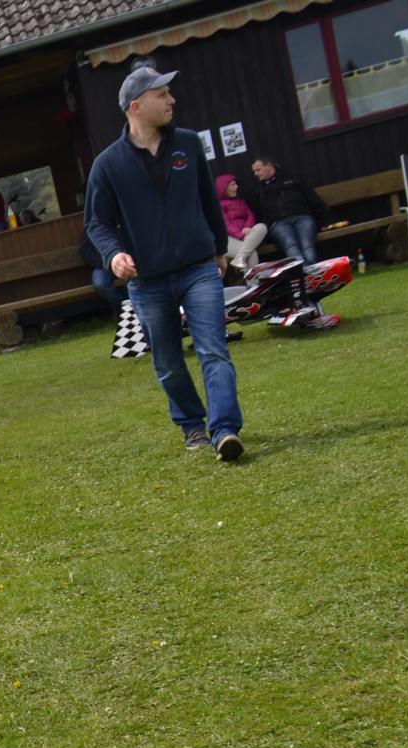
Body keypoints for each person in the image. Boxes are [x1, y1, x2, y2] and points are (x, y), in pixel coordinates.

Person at [86, 64, 243, 461]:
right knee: (170, 363)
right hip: (148, 280)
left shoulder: (188, 144)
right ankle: (192, 425)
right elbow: (97, 223)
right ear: (136, 107)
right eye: (162, 95)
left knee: (214, 350)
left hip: (198, 268)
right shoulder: (107, 164)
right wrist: (114, 254)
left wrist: (219, 248)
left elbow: (208, 198)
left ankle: (224, 430)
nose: (172, 100)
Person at [248, 157, 327, 264]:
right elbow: (257, 213)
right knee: (290, 245)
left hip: (302, 216)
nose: (255, 174)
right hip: (278, 223)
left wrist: (325, 221)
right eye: (254, 171)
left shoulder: (292, 178)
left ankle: (305, 271)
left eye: (258, 170)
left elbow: (312, 198)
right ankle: (308, 271)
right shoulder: (257, 190)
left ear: (269, 166)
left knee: (307, 245)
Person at [216, 175, 268, 272]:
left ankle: (240, 258)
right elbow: (225, 225)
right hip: (228, 239)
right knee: (252, 254)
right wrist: (241, 235)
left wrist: (247, 227)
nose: (236, 187)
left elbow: (250, 215)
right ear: (224, 187)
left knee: (262, 227)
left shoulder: (241, 201)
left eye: (236, 184)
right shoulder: (217, 205)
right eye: (233, 185)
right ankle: (253, 280)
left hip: (246, 234)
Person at [79, 229, 126, 311]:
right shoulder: (90, 229)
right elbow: (86, 253)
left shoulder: (120, 225)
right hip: (102, 267)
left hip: (124, 263)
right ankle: (123, 306)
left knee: (135, 280)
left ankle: (132, 306)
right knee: (100, 284)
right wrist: (103, 263)